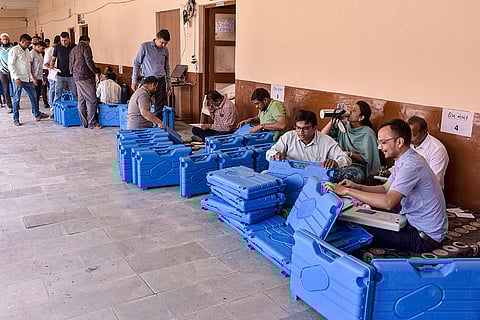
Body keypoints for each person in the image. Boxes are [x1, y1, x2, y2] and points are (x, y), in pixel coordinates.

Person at [325, 119, 448, 253]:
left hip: (423, 237)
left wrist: (347, 191)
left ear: (399, 142)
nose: (379, 147)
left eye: (383, 142)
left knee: (355, 230)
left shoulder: (411, 164)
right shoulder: (405, 159)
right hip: (412, 225)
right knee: (360, 221)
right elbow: (385, 188)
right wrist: (356, 187)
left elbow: (388, 202)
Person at [266, 110, 351, 168]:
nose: (300, 132)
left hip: (315, 177)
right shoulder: (288, 137)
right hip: (290, 174)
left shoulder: (327, 141)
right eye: (298, 128)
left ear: (314, 128)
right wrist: (276, 154)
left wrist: (336, 163)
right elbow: (269, 153)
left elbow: (346, 159)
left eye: (305, 128)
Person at [321, 101, 381, 183]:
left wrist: (350, 154)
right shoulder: (343, 125)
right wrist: (332, 121)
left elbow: (366, 159)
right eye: (351, 109)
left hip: (356, 165)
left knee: (345, 175)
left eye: (354, 111)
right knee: (322, 170)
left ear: (361, 117)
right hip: (338, 161)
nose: (350, 112)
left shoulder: (368, 133)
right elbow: (322, 137)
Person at [8, 34, 49, 126]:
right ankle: (16, 118)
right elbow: (11, 65)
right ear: (22, 41)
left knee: (34, 96)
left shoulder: (27, 50)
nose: (29, 44)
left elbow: (28, 65)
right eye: (28, 43)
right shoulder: (14, 50)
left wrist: (31, 77)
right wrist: (16, 78)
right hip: (18, 78)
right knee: (16, 99)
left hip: (27, 78)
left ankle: (37, 114)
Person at [132, 29, 171, 119]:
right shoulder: (144, 47)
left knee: (160, 107)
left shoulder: (165, 50)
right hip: (147, 81)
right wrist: (134, 80)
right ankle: (144, 124)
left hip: (161, 80)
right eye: (162, 43)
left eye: (165, 43)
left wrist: (169, 83)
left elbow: (167, 67)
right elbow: (137, 63)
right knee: (143, 103)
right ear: (156, 38)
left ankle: (158, 127)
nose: (163, 45)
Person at [407, 116, 449, 189]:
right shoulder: (407, 143)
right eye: (407, 134)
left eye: (413, 135)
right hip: (407, 186)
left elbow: (434, 180)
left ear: (424, 132)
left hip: (429, 191)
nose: (409, 138)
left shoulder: (437, 149)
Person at [69, 35, 101, 129]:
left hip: (76, 77)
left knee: (81, 99)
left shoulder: (73, 49)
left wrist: (72, 72)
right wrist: (96, 73)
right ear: (87, 41)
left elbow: (70, 64)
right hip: (85, 76)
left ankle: (84, 122)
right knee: (92, 100)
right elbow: (88, 60)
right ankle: (92, 123)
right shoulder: (86, 47)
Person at [50, 31, 77, 102]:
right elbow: (53, 59)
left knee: (74, 92)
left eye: (65, 40)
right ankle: (55, 107)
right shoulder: (57, 47)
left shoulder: (74, 47)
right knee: (58, 92)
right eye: (62, 40)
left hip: (71, 74)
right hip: (60, 74)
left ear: (69, 39)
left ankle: (76, 107)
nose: (63, 42)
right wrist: (51, 67)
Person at [44, 35, 59, 107]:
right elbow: (46, 63)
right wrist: (52, 67)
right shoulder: (50, 50)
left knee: (57, 89)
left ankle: (56, 103)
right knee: (52, 88)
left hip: (59, 71)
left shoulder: (59, 49)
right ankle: (51, 104)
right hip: (53, 71)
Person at [30, 41, 46, 110]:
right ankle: (35, 111)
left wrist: (42, 78)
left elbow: (40, 67)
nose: (43, 50)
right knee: (35, 96)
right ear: (38, 46)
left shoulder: (39, 54)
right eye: (42, 48)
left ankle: (37, 110)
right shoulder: (32, 54)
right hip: (34, 77)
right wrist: (33, 78)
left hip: (39, 77)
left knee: (38, 95)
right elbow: (29, 66)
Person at [0, 33, 13, 113]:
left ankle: (16, 104)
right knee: (6, 89)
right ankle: (9, 106)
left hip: (12, 71)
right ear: (1, 40)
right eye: (4, 39)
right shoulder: (0, 50)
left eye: (7, 39)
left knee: (15, 88)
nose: (5, 41)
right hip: (3, 72)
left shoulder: (13, 49)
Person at [41, 38, 51, 108]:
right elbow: (45, 63)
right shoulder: (41, 52)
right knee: (44, 86)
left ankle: (50, 101)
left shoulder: (50, 50)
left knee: (49, 86)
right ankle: (45, 102)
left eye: (48, 44)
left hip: (49, 70)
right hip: (44, 70)